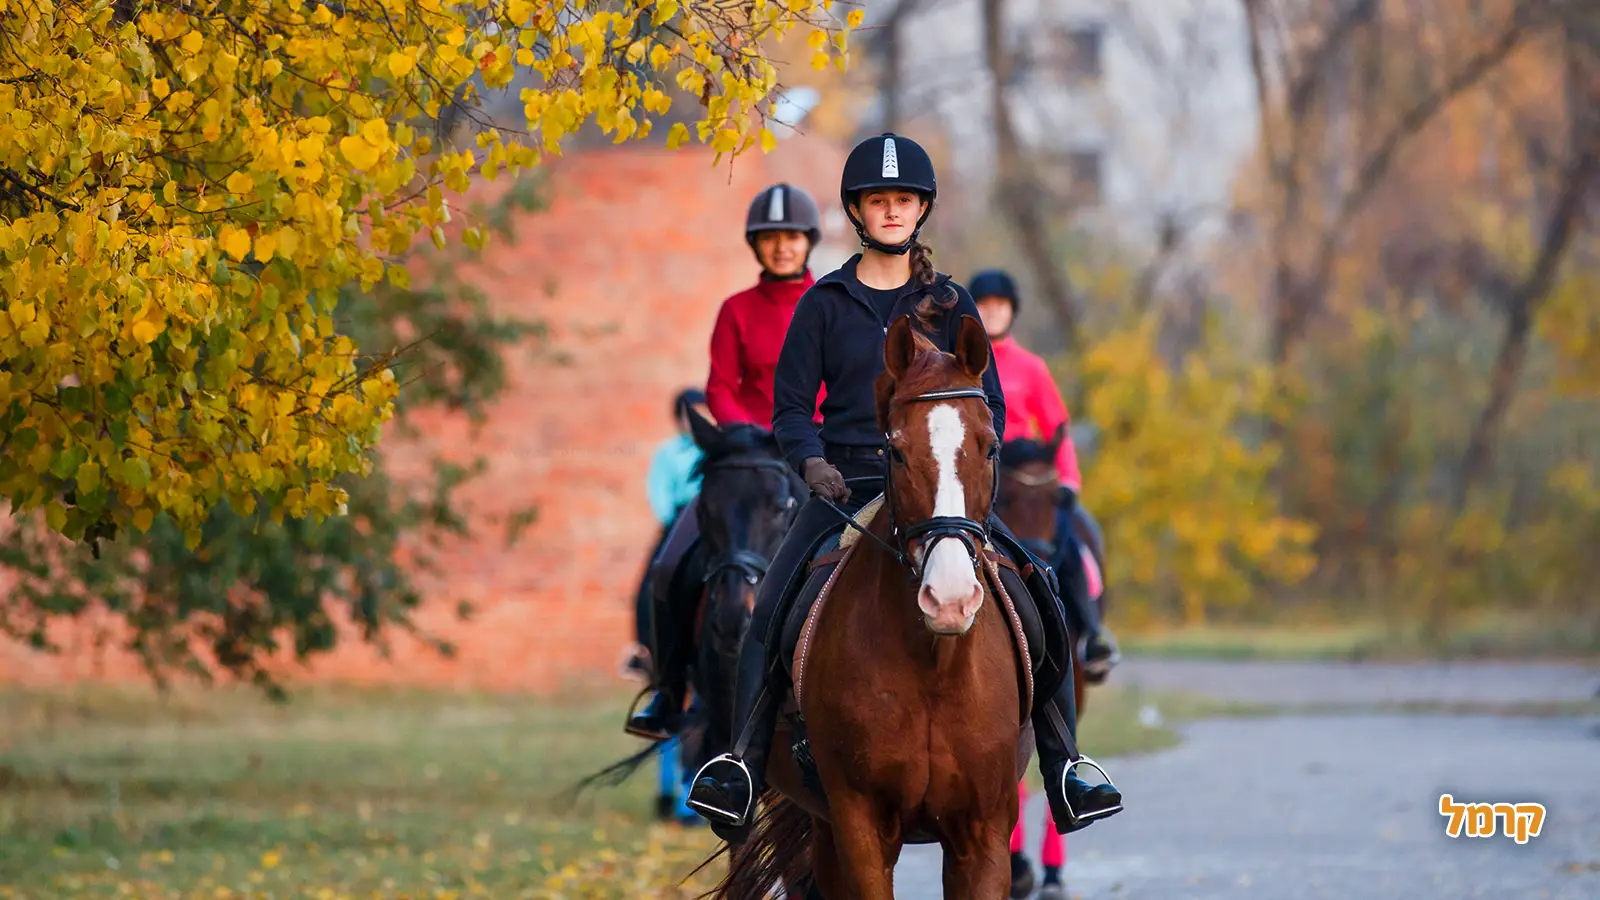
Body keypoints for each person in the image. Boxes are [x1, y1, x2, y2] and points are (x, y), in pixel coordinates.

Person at [685, 132, 1124, 845]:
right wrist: (810, 465)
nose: (891, 213)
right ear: (858, 211)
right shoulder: (823, 303)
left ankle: (1066, 764)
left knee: (1038, 585)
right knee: (772, 603)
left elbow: (990, 407)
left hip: (943, 487)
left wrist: (974, 470)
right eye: (878, 202)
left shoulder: (950, 304)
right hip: (846, 482)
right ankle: (738, 762)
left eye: (903, 202)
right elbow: (791, 409)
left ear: (920, 210)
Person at [624, 184, 828, 740]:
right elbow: (721, 383)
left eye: (790, 238)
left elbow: (840, 383)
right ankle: (668, 691)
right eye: (770, 239)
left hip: (812, 457)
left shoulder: (832, 303)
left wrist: (804, 433)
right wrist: (745, 433)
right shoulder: (736, 310)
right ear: (756, 247)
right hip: (743, 459)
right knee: (668, 566)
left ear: (807, 242)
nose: (781, 248)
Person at [969, 267, 1119, 678]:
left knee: (1072, 534)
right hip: (981, 473)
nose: (993, 313)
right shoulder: (961, 364)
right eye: (984, 306)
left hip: (1025, 476)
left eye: (1000, 306)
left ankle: (1090, 633)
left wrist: (1068, 481)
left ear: (1012, 311)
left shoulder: (1031, 367)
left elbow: (1057, 427)